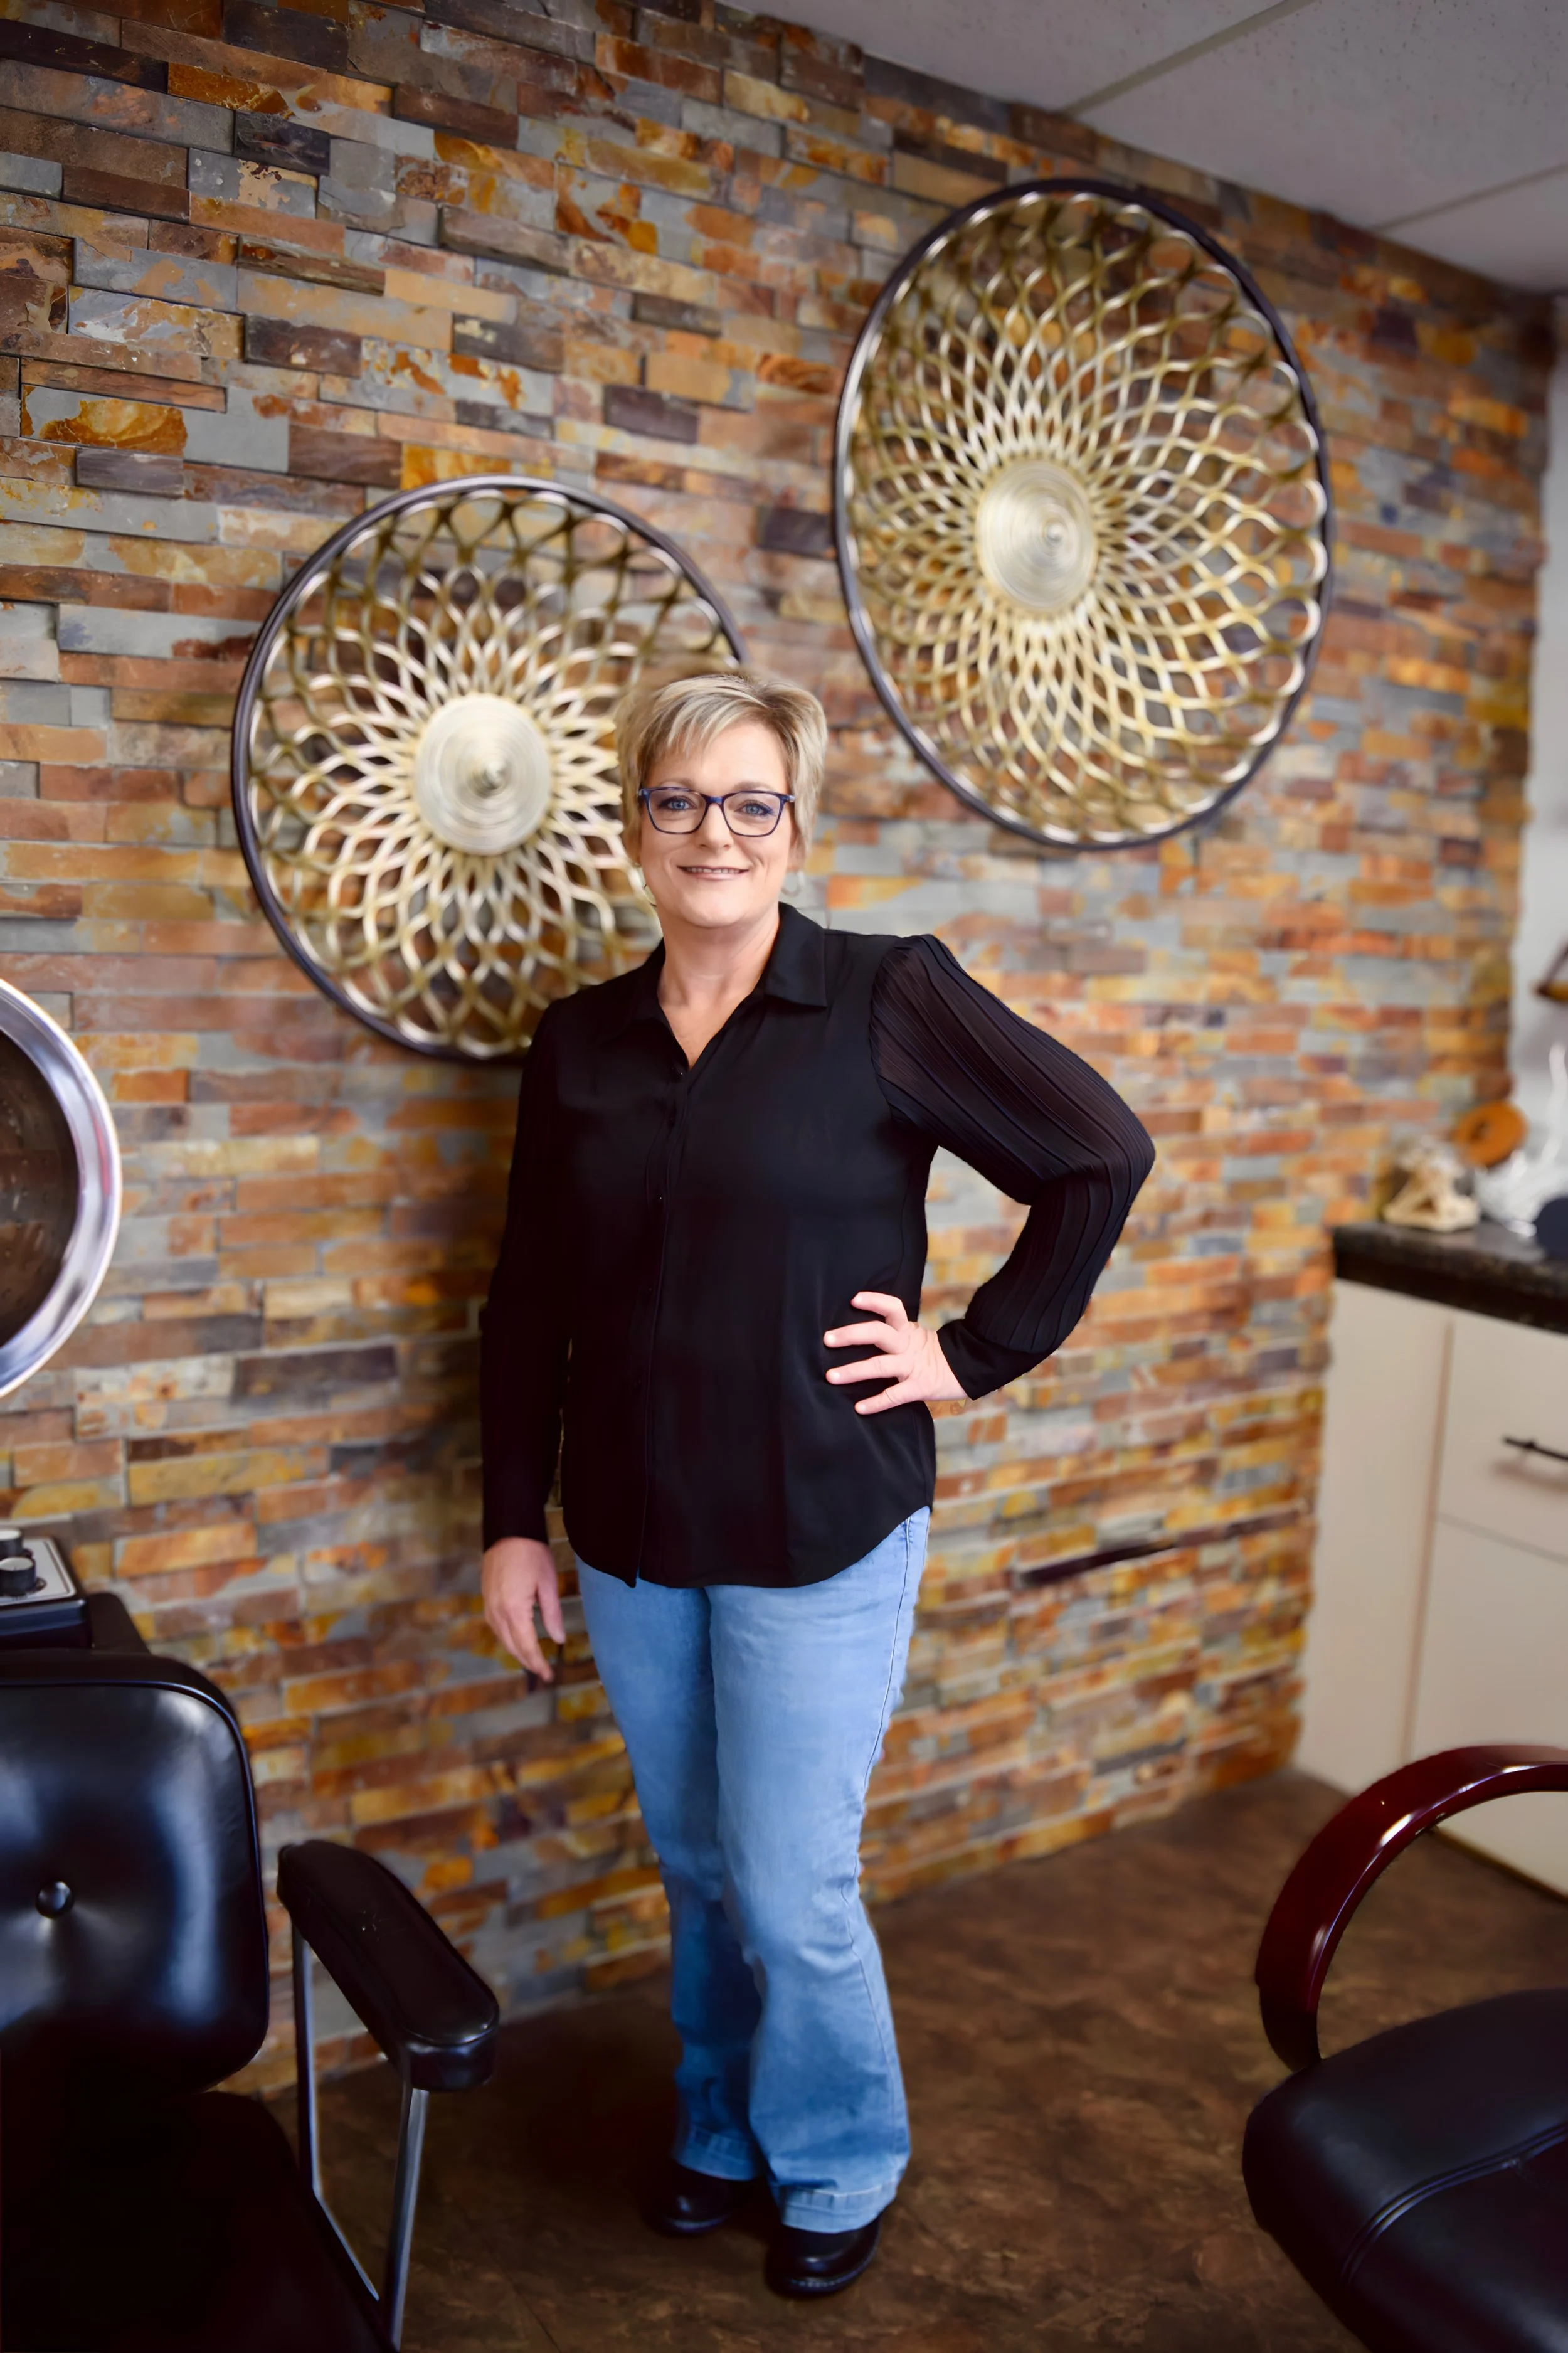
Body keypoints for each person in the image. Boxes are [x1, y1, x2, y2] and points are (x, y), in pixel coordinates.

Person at [480, 667, 1154, 2299]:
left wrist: (974, 1352)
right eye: (678, 799)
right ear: (634, 825)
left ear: (795, 825)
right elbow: (528, 1296)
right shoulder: (577, 1043)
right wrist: (511, 1519)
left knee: (791, 1891)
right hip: (631, 1535)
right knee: (701, 1871)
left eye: (748, 801)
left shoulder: (886, 996)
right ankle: (719, 2125)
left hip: (821, 1525)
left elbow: (1097, 1153)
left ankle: (840, 2154)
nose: (712, 831)